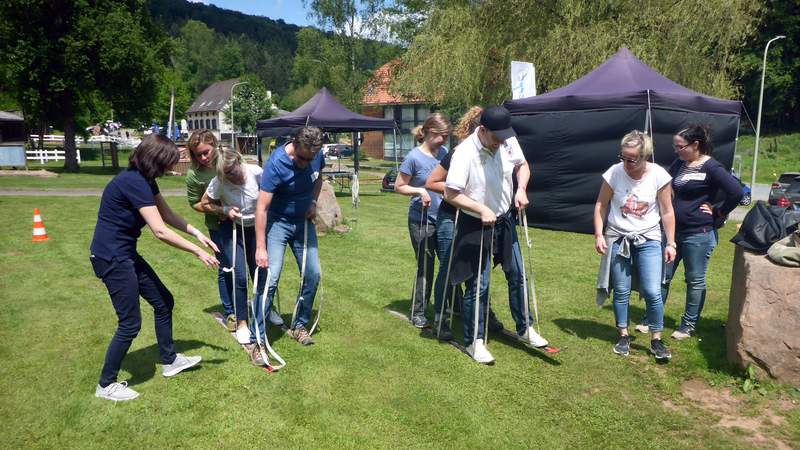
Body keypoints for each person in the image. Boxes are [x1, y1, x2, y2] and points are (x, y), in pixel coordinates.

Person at [90, 134, 219, 402]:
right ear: (156, 159)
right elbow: (159, 230)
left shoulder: (146, 181)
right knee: (130, 323)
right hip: (111, 257)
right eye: (170, 161)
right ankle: (106, 384)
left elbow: (167, 214)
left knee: (163, 301)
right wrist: (197, 251)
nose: (172, 165)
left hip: (124, 253)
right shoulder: (133, 182)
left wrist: (197, 233)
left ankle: (170, 359)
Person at [444, 106, 548, 364]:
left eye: (504, 136)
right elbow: (450, 193)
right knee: (480, 284)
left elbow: (522, 166)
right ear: (482, 129)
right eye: (496, 136)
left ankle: (526, 328)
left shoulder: (507, 140)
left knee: (518, 275)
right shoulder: (464, 153)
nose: (501, 141)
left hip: (504, 220)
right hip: (475, 224)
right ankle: (474, 341)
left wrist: (521, 189)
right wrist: (480, 208)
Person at [635, 125, 743, 339]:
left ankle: (688, 325)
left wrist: (718, 212)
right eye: (675, 146)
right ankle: (652, 318)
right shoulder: (680, 164)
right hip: (673, 233)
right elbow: (663, 184)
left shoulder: (712, 167)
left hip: (699, 233)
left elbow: (736, 192)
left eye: (680, 146)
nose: (676, 150)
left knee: (695, 280)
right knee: (662, 277)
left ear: (695, 145)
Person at [593, 130, 676, 362]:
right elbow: (601, 205)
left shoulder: (659, 175)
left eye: (632, 159)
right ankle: (623, 335)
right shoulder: (614, 173)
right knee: (621, 290)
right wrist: (599, 234)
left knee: (652, 290)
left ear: (645, 156)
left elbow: (668, 211)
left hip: (648, 238)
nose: (627, 164)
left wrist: (671, 243)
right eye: (623, 157)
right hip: (618, 238)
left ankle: (656, 339)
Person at [425, 106, 505, 340]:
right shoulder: (459, 154)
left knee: (478, 271)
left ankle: (480, 312)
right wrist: (464, 193)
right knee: (449, 267)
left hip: (475, 218)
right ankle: (440, 318)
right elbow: (433, 182)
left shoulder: (494, 154)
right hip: (452, 216)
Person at [200, 146, 280, 348]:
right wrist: (224, 209)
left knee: (260, 271)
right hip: (233, 229)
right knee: (240, 275)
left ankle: (265, 310)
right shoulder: (219, 181)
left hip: (257, 228)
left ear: (239, 161)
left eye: (232, 172)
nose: (231, 177)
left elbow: (271, 196)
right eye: (226, 174)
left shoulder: (257, 172)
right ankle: (243, 322)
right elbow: (204, 203)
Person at [254, 127, 324, 350]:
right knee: (271, 278)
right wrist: (260, 247)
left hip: (303, 223)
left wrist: (312, 202)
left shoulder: (315, 155)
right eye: (302, 158)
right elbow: (262, 208)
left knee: (313, 274)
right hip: (277, 223)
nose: (306, 163)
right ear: (294, 144)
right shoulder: (276, 164)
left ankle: (299, 325)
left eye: (310, 158)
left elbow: (318, 178)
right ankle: (258, 339)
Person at [394, 112, 451, 328]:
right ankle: (418, 312)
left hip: (444, 218)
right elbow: (399, 186)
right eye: (441, 135)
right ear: (429, 133)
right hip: (421, 220)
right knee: (426, 266)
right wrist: (419, 191)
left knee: (447, 263)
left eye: (446, 135)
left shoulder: (444, 153)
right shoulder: (413, 157)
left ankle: (448, 306)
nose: (444, 140)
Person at [186, 130, 236, 330]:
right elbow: (195, 203)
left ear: (214, 145)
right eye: (198, 154)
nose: (204, 158)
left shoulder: (228, 160)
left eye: (206, 152)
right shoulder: (193, 175)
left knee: (245, 266)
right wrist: (219, 210)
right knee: (225, 268)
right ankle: (230, 311)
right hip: (218, 226)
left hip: (242, 222)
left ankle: (252, 305)